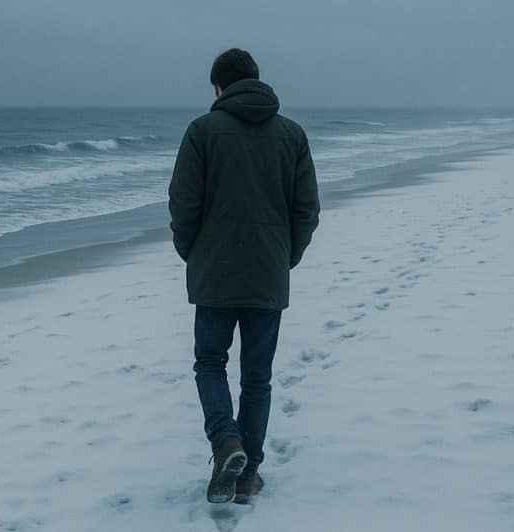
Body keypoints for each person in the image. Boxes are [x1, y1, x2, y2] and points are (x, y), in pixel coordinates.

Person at [168, 48, 320, 504]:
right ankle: (246, 476)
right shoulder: (292, 135)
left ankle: (225, 441)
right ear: (255, 80)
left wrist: (192, 253)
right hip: (267, 276)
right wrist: (283, 257)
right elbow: (306, 211)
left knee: (210, 363)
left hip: (215, 275)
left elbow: (183, 204)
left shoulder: (202, 131)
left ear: (219, 86)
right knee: (257, 378)